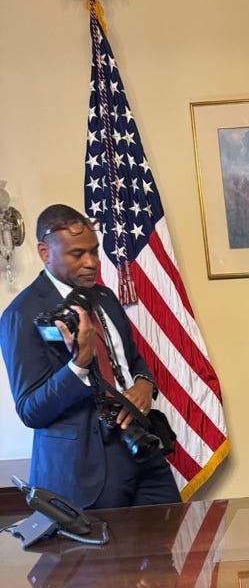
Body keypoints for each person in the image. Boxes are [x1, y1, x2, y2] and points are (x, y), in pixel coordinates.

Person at [0, 203, 181, 509]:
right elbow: (31, 410)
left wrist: (144, 384)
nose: (91, 262)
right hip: (84, 472)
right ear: (45, 252)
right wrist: (78, 365)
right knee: (106, 558)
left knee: (172, 545)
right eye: (77, 254)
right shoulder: (21, 314)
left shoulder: (105, 297)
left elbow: (132, 360)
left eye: (94, 251)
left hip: (142, 450)